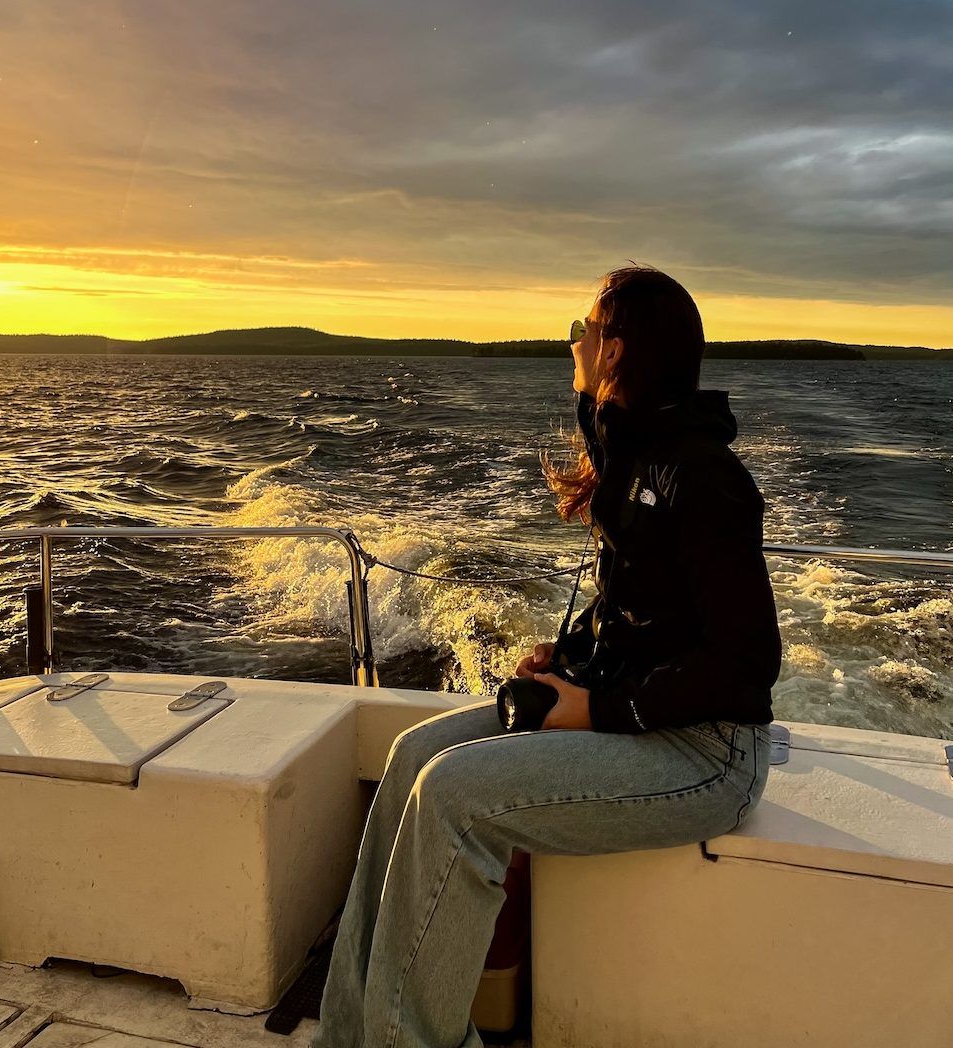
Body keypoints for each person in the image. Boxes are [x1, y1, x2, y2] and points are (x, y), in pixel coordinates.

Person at [309, 264, 783, 1048]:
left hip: (705, 753)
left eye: (583, 330)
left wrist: (598, 708)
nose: (573, 343)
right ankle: (350, 1032)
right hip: (635, 718)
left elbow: (745, 663)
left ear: (617, 349)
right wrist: (568, 660)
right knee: (411, 755)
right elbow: (637, 611)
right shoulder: (636, 454)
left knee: (455, 793)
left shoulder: (705, 477)